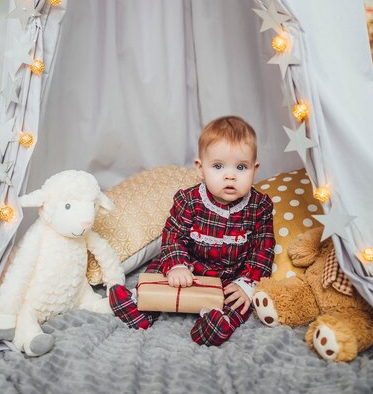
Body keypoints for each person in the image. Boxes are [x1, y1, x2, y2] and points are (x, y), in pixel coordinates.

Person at [109, 115, 275, 346]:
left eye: (241, 167)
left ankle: (218, 322)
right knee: (159, 267)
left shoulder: (259, 207)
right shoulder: (189, 200)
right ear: (201, 169)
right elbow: (173, 235)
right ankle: (139, 307)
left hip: (230, 274)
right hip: (190, 264)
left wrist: (247, 283)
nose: (230, 175)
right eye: (218, 166)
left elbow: (263, 250)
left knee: (239, 300)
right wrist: (177, 264)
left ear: (254, 170)